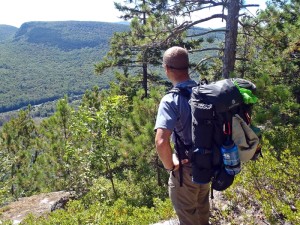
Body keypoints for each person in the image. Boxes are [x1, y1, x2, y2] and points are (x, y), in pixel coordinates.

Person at [154, 46, 210, 225]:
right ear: (187, 66)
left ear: (167, 68)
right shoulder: (205, 92)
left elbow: (161, 142)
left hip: (185, 170)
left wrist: (171, 166)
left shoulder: (170, 100)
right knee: (202, 210)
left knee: (188, 217)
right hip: (208, 163)